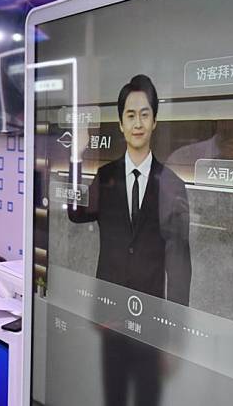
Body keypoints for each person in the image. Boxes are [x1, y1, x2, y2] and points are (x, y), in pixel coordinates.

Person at [68, 74, 192, 406]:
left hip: (152, 321)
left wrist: (176, 335)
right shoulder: (105, 177)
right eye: (130, 115)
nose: (137, 123)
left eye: (145, 114)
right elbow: (76, 213)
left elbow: (179, 263)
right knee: (114, 397)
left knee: (148, 399)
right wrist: (77, 158)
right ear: (121, 124)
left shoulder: (172, 184)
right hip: (110, 313)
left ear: (154, 122)